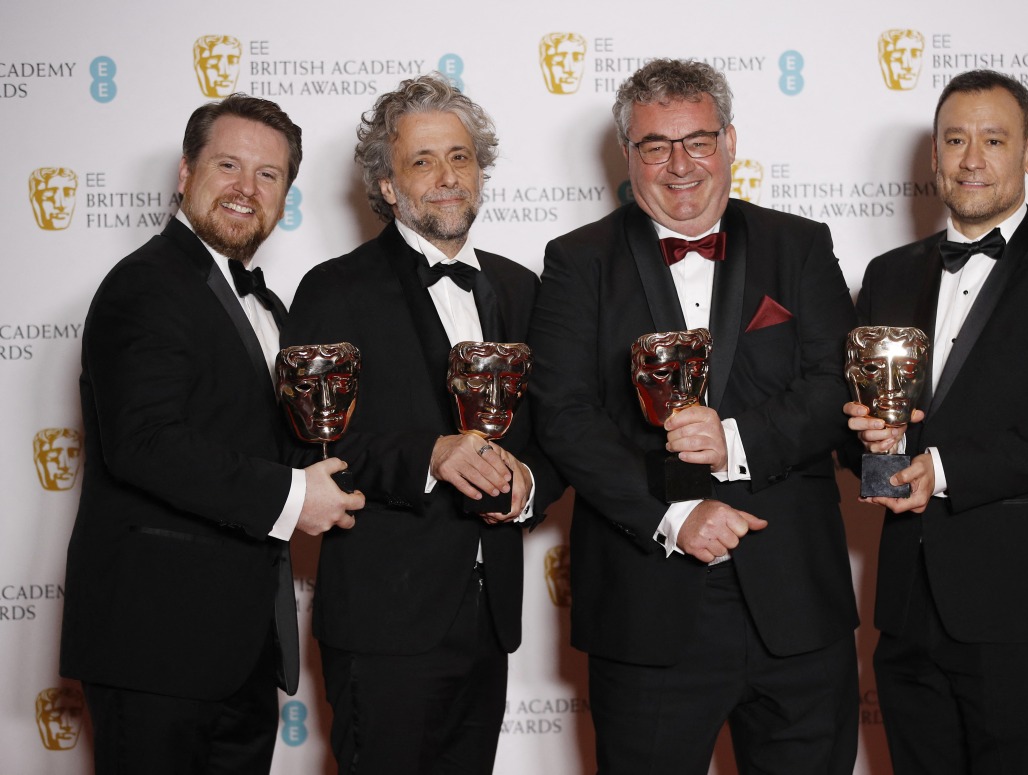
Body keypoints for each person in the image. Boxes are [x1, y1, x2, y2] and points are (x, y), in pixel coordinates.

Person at [530, 58, 860, 775]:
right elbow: (564, 417)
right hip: (649, 608)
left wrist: (734, 441)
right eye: (655, 145)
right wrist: (675, 514)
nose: (680, 165)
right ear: (629, 154)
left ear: (731, 140)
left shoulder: (801, 245)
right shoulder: (576, 261)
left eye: (698, 141)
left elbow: (836, 385)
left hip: (798, 608)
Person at [60, 93, 364, 775]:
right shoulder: (145, 284)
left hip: (242, 649)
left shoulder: (269, 307)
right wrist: (292, 498)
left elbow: (274, 443)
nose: (245, 188)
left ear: (286, 195)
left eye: (268, 175)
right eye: (228, 164)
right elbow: (145, 442)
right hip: (154, 646)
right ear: (184, 172)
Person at [844, 69, 1028, 774]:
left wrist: (941, 468)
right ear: (935, 157)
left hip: (1023, 610)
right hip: (907, 606)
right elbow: (850, 424)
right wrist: (862, 439)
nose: (972, 157)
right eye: (955, 139)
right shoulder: (886, 274)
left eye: (994, 139)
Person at [282, 73, 561, 775]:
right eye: (422, 160)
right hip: (385, 619)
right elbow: (310, 442)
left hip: (489, 617)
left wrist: (528, 488)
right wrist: (428, 455)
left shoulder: (522, 288)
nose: (446, 177)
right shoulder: (333, 288)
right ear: (386, 185)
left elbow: (561, 430)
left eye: (461, 157)